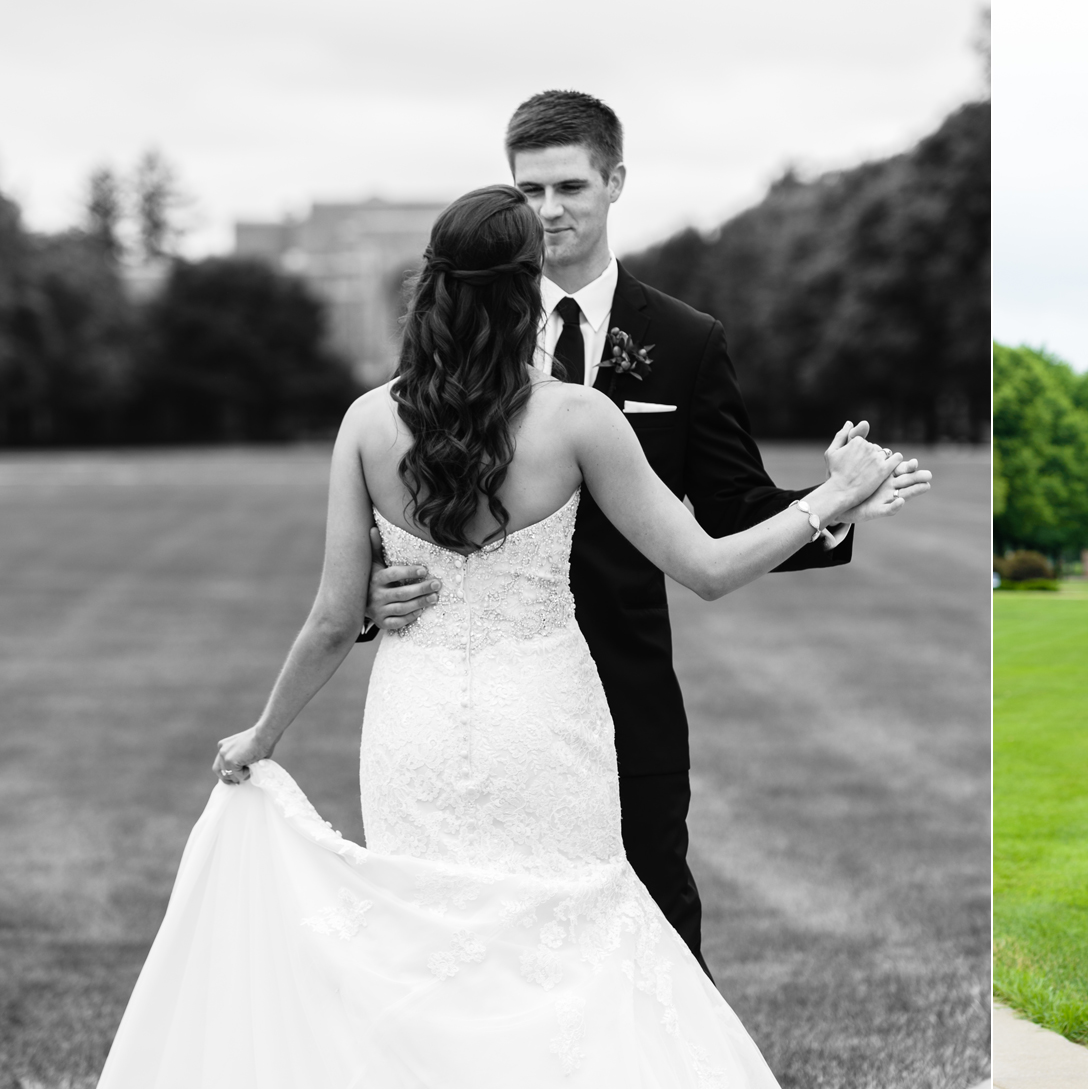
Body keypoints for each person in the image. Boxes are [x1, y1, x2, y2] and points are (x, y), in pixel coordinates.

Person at [59, 186, 917, 1089]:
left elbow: (325, 620)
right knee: (561, 954)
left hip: (412, 722)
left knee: (432, 959)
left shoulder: (369, 423)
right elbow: (709, 568)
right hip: (542, 719)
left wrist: (260, 735)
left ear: (429, 286)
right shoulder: (577, 421)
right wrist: (835, 495)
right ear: (528, 288)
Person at [362, 90, 931, 976]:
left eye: (570, 187)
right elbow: (408, 482)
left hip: (627, 678)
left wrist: (832, 501)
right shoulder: (461, 331)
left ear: (616, 181)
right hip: (489, 694)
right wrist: (373, 587)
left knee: (657, 916)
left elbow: (732, 507)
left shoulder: (685, 340)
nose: (549, 212)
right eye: (530, 191)